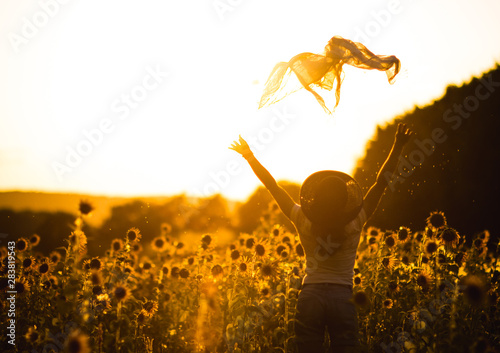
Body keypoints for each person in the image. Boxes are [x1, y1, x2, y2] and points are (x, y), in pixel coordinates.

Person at [229, 123, 413, 352]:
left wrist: (249, 156)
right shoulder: (357, 220)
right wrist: (398, 145)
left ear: (315, 197)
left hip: (311, 296)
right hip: (342, 298)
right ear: (346, 199)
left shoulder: (301, 218)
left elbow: (272, 186)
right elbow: (381, 182)